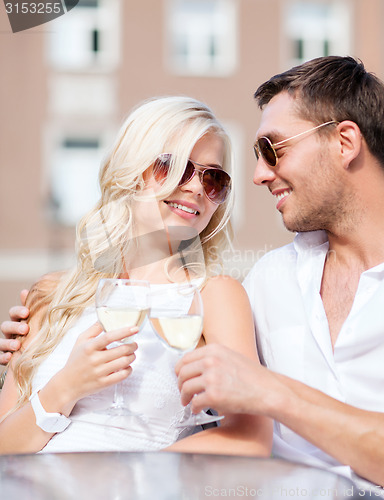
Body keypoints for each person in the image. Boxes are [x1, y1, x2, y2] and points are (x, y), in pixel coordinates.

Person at [174, 56, 384, 494]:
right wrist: (49, 331)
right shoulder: (270, 279)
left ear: (345, 142)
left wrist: (275, 393)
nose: (259, 175)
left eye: (272, 149)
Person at [0, 95, 272, 455]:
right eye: (174, 167)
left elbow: (251, 438)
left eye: (213, 179)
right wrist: (65, 388)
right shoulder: (53, 294)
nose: (194, 188)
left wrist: (131, 478)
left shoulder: (214, 297)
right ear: (130, 171)